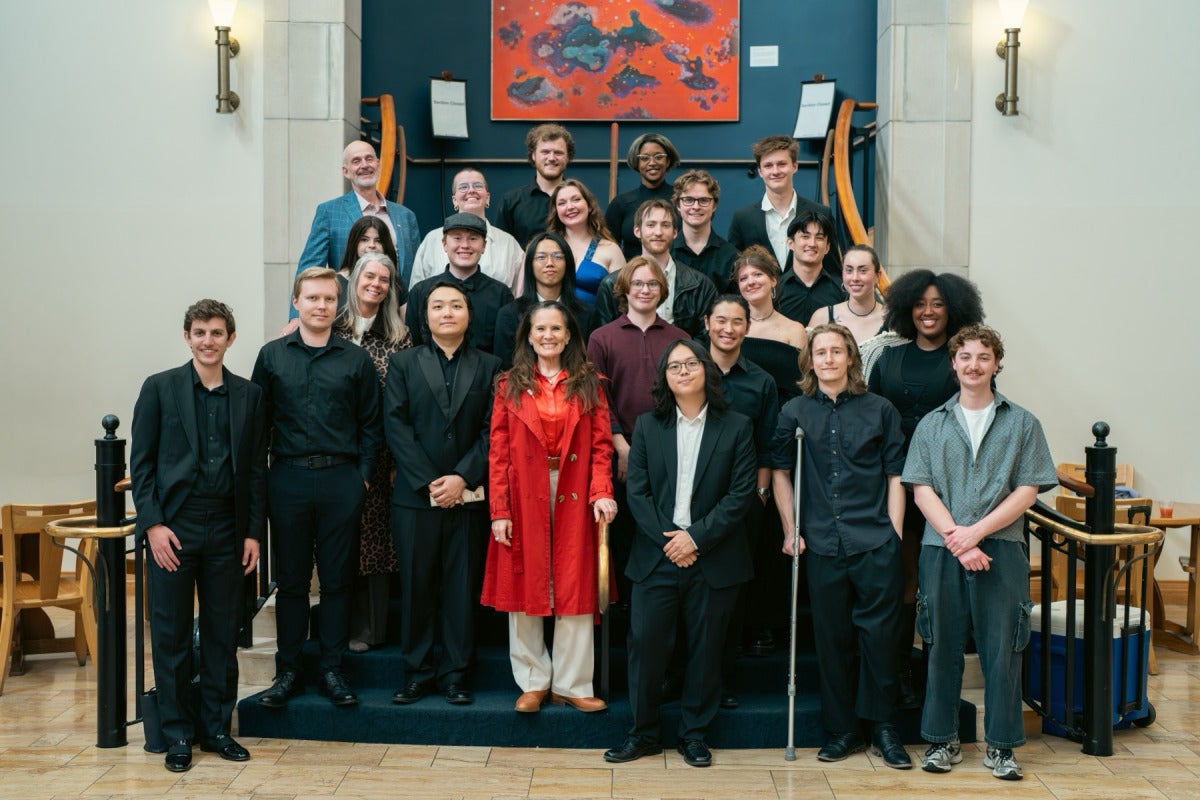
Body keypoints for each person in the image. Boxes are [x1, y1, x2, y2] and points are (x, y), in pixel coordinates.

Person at [902, 325, 1056, 780]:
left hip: (1002, 549)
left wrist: (978, 534)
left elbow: (1028, 489)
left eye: (983, 357)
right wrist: (957, 538)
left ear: (996, 363)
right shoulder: (932, 423)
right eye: (965, 356)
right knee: (941, 647)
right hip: (941, 550)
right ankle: (941, 741)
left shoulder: (1022, 422)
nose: (973, 365)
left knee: (1003, 648)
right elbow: (921, 489)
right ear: (953, 364)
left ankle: (1003, 748)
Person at [603, 340, 756, 768]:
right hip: (656, 557)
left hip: (714, 557)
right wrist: (672, 542)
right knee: (646, 647)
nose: (683, 372)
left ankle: (694, 734)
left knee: (707, 652)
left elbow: (740, 494)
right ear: (664, 378)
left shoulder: (738, 426)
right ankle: (643, 733)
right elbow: (638, 492)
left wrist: (696, 539)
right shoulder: (648, 426)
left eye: (690, 364)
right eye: (674, 367)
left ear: (706, 370)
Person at [131, 299, 266, 773]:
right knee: (168, 633)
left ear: (231, 338)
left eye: (217, 333)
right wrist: (153, 525)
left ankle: (215, 729)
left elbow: (253, 471)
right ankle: (177, 734)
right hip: (175, 527)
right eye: (200, 332)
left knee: (221, 633)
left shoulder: (249, 396)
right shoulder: (160, 388)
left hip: (228, 528)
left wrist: (252, 534)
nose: (208, 341)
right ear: (186, 337)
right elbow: (141, 464)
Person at [769, 323, 911, 769]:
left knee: (881, 639)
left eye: (836, 351)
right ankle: (843, 729)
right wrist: (791, 529)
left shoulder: (881, 410)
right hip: (822, 543)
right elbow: (779, 473)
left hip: (874, 539)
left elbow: (895, 476)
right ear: (809, 361)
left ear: (851, 357)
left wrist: (895, 533)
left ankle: (884, 728)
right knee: (832, 641)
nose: (828, 359)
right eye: (820, 352)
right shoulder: (794, 410)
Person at [254, 267, 382, 709]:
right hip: (286, 478)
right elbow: (259, 426)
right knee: (290, 582)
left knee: (336, 581)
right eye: (312, 298)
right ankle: (288, 670)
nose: (321, 306)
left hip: (340, 480)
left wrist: (361, 476)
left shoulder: (355, 360)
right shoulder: (271, 357)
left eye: (329, 299)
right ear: (297, 302)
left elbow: (371, 425)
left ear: (337, 305)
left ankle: (331, 668)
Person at [482, 302, 618, 713]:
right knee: (525, 582)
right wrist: (499, 510)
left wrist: (602, 492)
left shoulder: (589, 382)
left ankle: (573, 684)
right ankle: (533, 680)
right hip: (524, 492)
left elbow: (600, 446)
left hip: (575, 489)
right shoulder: (508, 385)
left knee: (575, 584)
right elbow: (498, 452)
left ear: (569, 335)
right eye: (539, 328)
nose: (547, 335)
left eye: (555, 328)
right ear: (527, 335)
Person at [865, 269, 985, 707]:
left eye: (937, 304)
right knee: (900, 579)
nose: (928, 312)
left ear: (953, 309)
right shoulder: (888, 359)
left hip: (945, 489)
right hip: (895, 485)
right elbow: (868, 417)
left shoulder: (963, 361)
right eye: (920, 304)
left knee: (938, 586)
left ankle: (936, 681)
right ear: (906, 308)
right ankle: (896, 673)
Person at [385, 282, 502, 706]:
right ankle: (417, 674)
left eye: (456, 305)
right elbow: (396, 427)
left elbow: (494, 431)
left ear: (469, 315)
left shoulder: (490, 366)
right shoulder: (403, 364)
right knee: (416, 588)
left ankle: (456, 674)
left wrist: (462, 478)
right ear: (425, 315)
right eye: (438, 306)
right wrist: (433, 482)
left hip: (469, 498)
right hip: (416, 498)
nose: (447, 312)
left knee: (461, 587)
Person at [586, 258, 688, 599]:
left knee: (662, 527)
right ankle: (623, 605)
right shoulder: (602, 338)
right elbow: (598, 398)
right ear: (625, 290)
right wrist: (621, 446)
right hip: (619, 448)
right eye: (638, 283)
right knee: (624, 530)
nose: (645, 290)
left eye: (653, 284)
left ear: (662, 292)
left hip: (670, 448)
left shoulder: (679, 338)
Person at [702, 295, 779, 708]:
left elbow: (767, 443)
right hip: (694, 500)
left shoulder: (761, 381)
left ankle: (723, 681)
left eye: (736, 321)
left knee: (731, 590)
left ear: (747, 328)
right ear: (707, 323)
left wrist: (761, 493)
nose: (728, 329)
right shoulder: (690, 370)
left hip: (744, 498)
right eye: (720, 321)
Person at [332, 252, 412, 652]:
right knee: (338, 540)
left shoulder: (400, 337)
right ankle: (336, 625)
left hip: (381, 454)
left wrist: (398, 460)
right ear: (354, 279)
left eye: (384, 279)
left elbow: (404, 404)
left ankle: (370, 630)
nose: (376, 284)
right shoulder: (331, 329)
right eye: (370, 276)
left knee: (376, 544)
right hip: (335, 451)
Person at [289, 140, 419, 319]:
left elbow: (414, 273)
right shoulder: (329, 212)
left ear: (378, 164)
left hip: (396, 316)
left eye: (369, 159)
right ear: (346, 171)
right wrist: (296, 318)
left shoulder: (405, 216)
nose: (364, 165)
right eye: (356, 161)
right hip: (347, 317)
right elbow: (309, 270)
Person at [594, 198, 717, 337]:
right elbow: (604, 339)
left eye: (665, 225)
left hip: (680, 357)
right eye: (651, 225)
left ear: (675, 232)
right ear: (637, 231)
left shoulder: (700, 286)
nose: (658, 232)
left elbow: (705, 340)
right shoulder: (611, 285)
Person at [405, 212, 513, 353]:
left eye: (473, 239)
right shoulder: (420, 292)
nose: (465, 245)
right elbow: (414, 348)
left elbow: (505, 350)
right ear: (444, 244)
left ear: (484, 246)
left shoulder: (501, 295)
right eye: (457, 238)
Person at [727, 135, 835, 274]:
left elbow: (833, 271)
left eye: (782, 164)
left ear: (795, 166)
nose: (775, 171)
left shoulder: (822, 213)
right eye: (768, 166)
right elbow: (735, 273)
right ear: (760, 171)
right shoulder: (742, 219)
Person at [492, 232, 598, 369]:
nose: (550, 263)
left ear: (568, 263)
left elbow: (590, 366)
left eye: (557, 257)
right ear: (530, 264)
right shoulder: (509, 315)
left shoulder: (587, 314)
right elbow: (505, 370)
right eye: (541, 257)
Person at [410, 167, 524, 293]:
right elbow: (416, 293)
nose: (471, 190)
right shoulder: (432, 240)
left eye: (478, 186)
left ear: (487, 198)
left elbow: (521, 296)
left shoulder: (509, 243)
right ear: (454, 200)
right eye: (463, 187)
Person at [733, 245, 807, 405]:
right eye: (743, 278)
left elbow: (802, 386)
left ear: (773, 280)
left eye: (757, 274)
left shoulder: (794, 330)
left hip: (782, 417)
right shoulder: (732, 330)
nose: (750, 282)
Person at [547, 178, 625, 305]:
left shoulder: (611, 249)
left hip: (598, 324)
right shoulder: (546, 248)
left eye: (576, 199)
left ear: (589, 206)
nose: (570, 207)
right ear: (556, 212)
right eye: (562, 203)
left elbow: (623, 300)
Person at [498, 123, 574, 248]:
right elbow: (502, 250)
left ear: (568, 157)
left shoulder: (580, 201)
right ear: (533, 156)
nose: (551, 158)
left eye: (558, 153)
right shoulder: (511, 201)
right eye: (545, 152)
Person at [605, 133, 681, 259]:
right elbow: (608, 250)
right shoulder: (620, 203)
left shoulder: (682, 200)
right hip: (632, 275)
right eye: (644, 158)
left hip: (676, 274)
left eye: (658, 157)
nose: (652, 162)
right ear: (637, 162)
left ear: (668, 161)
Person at [671, 169, 738, 290]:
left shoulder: (731, 256)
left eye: (703, 200)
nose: (696, 207)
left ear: (714, 206)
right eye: (688, 200)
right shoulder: (666, 253)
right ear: (678, 205)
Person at [776, 211, 846, 325]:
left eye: (819, 238)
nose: (812, 243)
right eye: (805, 236)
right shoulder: (775, 290)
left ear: (827, 247)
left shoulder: (842, 291)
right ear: (790, 243)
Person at [808, 244, 887, 344]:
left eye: (863, 271)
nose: (855, 278)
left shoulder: (893, 319)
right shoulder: (822, 317)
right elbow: (808, 358)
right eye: (849, 270)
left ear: (877, 276)